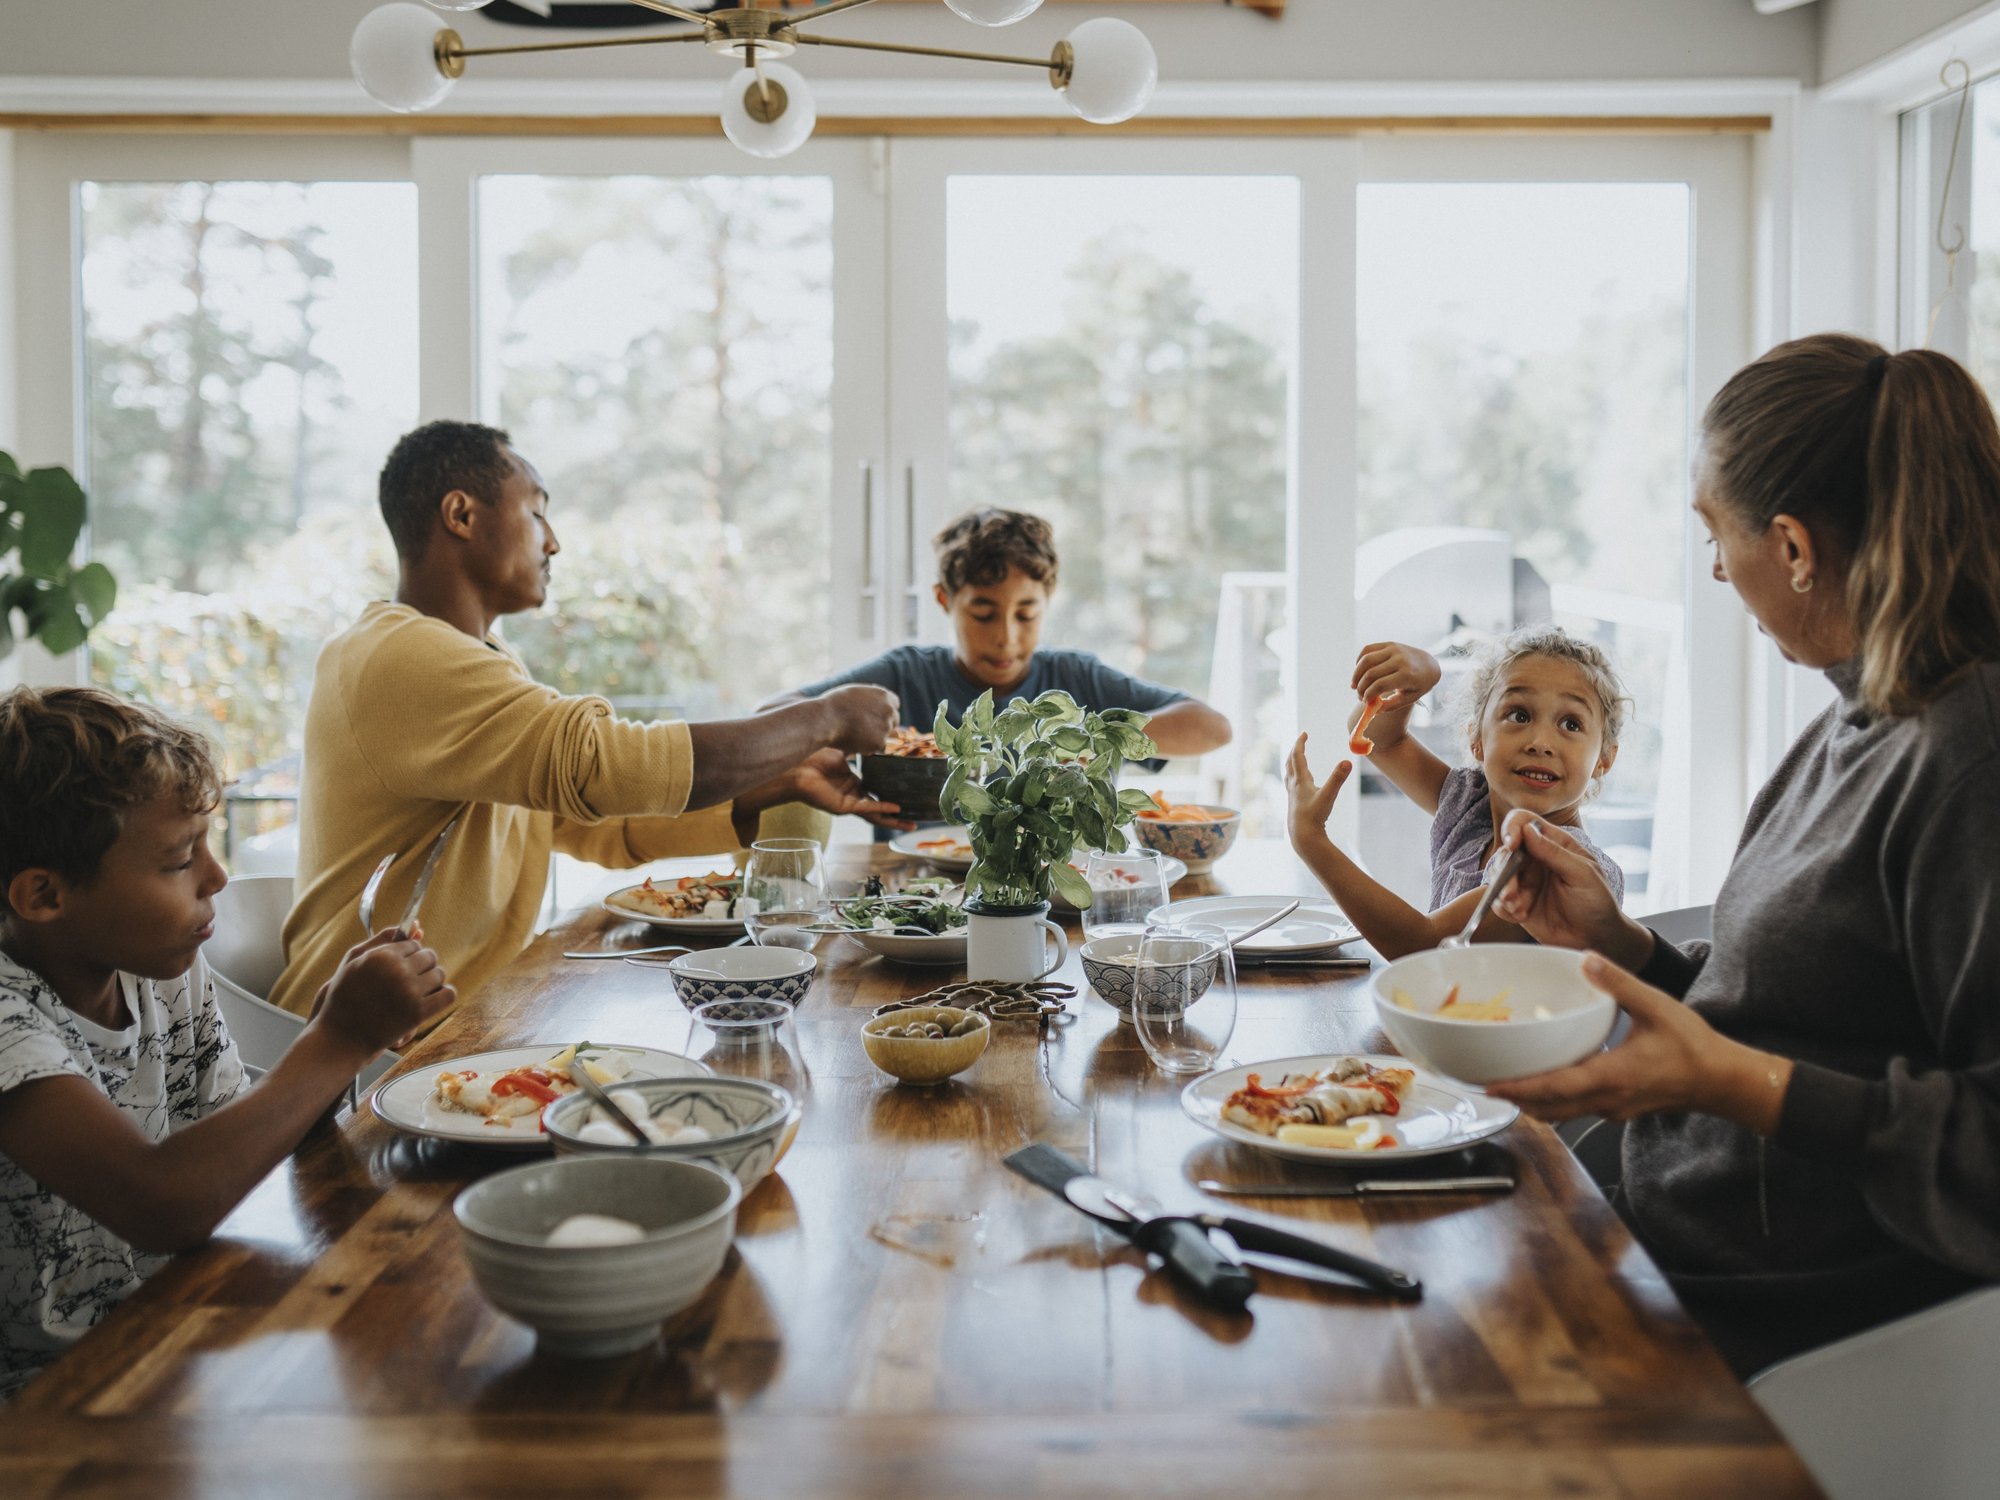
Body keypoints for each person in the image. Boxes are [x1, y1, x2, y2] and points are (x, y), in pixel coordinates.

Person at [1483, 334, 2000, 1375]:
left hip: (1788, 1330)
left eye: (1714, 536)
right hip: (1667, 1240)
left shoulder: (1968, 757)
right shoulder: (1856, 720)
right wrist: (1620, 947)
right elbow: (1797, 1021)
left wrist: (1735, 1085)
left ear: (1795, 549)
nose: (1715, 568)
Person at [270, 420, 903, 1020]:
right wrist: (823, 717)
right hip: (371, 1049)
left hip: (471, 1014)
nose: (553, 540)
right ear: (461, 514)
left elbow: (592, 823)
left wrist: (782, 782)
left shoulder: (477, 659)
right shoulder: (403, 658)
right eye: (537, 510)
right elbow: (606, 769)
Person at [0, 687, 452, 1398]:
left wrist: (337, 1034)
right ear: (44, 896)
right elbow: (161, 1202)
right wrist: (335, 1041)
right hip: (48, 1404)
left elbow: (233, 1154)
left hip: (177, 1329)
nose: (216, 877)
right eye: (181, 861)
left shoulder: (156, 967)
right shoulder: (7, 1022)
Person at [761, 507, 1232, 758]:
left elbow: (1212, 729)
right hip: (917, 889)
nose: (1006, 637)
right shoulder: (904, 677)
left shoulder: (1077, 680)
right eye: (984, 614)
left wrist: (1087, 736)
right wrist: (831, 725)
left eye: (1026, 614)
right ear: (945, 600)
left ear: (1048, 600)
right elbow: (769, 715)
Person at [1284, 625, 1626, 959]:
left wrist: (1312, 841)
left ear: (1604, 759)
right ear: (1476, 738)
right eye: (1519, 715)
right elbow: (1379, 738)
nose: (1540, 743)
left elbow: (1426, 947)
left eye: (1571, 724)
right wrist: (1419, 680)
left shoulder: (1563, 863)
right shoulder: (1471, 805)